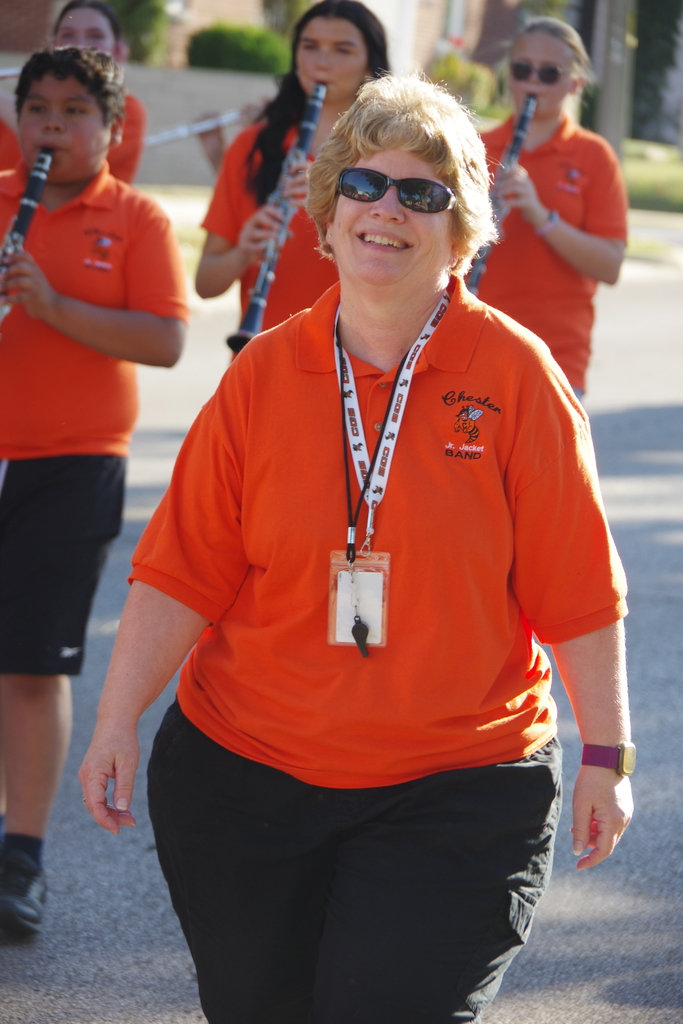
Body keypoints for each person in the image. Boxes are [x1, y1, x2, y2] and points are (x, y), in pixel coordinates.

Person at [80, 75, 634, 1024]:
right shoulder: (263, 374)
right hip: (244, 779)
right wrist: (116, 717)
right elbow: (183, 569)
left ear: (460, 228)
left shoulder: (514, 377)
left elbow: (576, 585)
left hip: (455, 789)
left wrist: (608, 754)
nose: (388, 210)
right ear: (327, 215)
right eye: (365, 185)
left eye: (423, 193)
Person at [0, 47, 188, 937]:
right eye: (36, 108)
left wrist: (51, 304)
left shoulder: (139, 218)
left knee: (32, 666)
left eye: (74, 112)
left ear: (112, 128)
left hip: (73, 464)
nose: (51, 127)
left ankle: (22, 855)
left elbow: (163, 342)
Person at [196, 0, 389, 333]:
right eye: (310, 47)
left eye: (342, 50)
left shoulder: (392, 155)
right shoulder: (253, 146)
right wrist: (244, 252)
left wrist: (335, 193)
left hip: (359, 360)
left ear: (370, 66)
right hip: (262, 358)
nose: (321, 62)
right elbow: (206, 284)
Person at [477, 17, 628, 400]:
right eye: (522, 69)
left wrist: (541, 217)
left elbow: (609, 266)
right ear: (508, 74)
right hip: (475, 341)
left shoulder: (594, 157)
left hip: (555, 355)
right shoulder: (474, 147)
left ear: (574, 84)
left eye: (549, 74)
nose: (532, 83)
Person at [0, 0, 147, 183]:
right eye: (68, 35)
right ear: (53, 48)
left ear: (119, 51)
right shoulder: (22, 103)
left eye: (96, 36)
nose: (79, 46)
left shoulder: (128, 110)